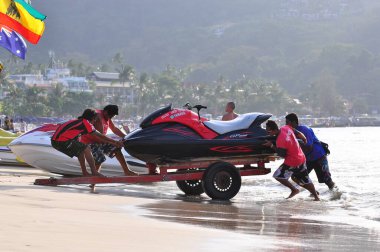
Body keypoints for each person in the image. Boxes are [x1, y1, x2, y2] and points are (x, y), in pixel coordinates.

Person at [51, 108, 123, 176]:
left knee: (81, 150)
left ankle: (84, 172)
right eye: (95, 119)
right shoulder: (86, 123)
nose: (95, 122)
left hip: (55, 141)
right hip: (60, 141)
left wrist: (113, 142)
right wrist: (115, 142)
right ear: (92, 118)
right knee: (86, 148)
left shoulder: (79, 122)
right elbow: (99, 135)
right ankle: (94, 172)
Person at [264, 120, 320, 201]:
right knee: (303, 178)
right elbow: (299, 133)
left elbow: (282, 154)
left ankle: (294, 190)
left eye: (268, 131)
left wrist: (272, 145)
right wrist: (304, 139)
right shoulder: (285, 127)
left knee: (278, 176)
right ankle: (316, 196)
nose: (267, 133)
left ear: (274, 130)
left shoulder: (280, 140)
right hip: (301, 157)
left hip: (292, 161)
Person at [80, 105, 137, 176]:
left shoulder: (107, 117)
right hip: (88, 142)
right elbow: (99, 135)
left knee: (116, 149)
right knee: (100, 158)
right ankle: (94, 179)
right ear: (106, 112)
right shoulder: (98, 116)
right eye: (111, 115)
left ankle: (127, 171)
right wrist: (114, 142)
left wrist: (126, 137)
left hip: (99, 141)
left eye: (113, 116)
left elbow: (114, 129)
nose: (111, 117)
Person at [285, 113, 336, 190]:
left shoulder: (304, 129)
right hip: (307, 159)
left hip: (319, 156)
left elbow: (309, 147)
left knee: (327, 180)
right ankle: (314, 192)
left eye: (287, 122)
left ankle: (338, 194)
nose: (286, 125)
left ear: (294, 122)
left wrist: (296, 144)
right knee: (296, 177)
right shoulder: (290, 133)